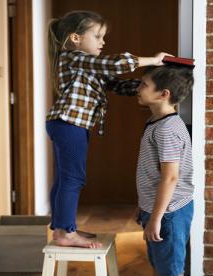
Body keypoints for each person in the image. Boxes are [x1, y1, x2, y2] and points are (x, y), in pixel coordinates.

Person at [46, 10, 169, 248]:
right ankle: (66, 233)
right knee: (73, 178)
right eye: (98, 36)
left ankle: (62, 227)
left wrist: (153, 84)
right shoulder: (73, 57)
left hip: (66, 124)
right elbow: (117, 63)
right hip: (69, 124)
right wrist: (153, 60)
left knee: (64, 178)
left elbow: (117, 85)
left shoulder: (87, 66)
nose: (103, 42)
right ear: (76, 38)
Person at [135, 65, 194, 276]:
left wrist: (156, 218)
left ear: (164, 94)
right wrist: (143, 206)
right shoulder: (155, 122)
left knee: (169, 270)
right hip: (157, 210)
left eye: (144, 84)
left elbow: (170, 178)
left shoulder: (167, 129)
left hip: (169, 213)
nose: (138, 88)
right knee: (159, 264)